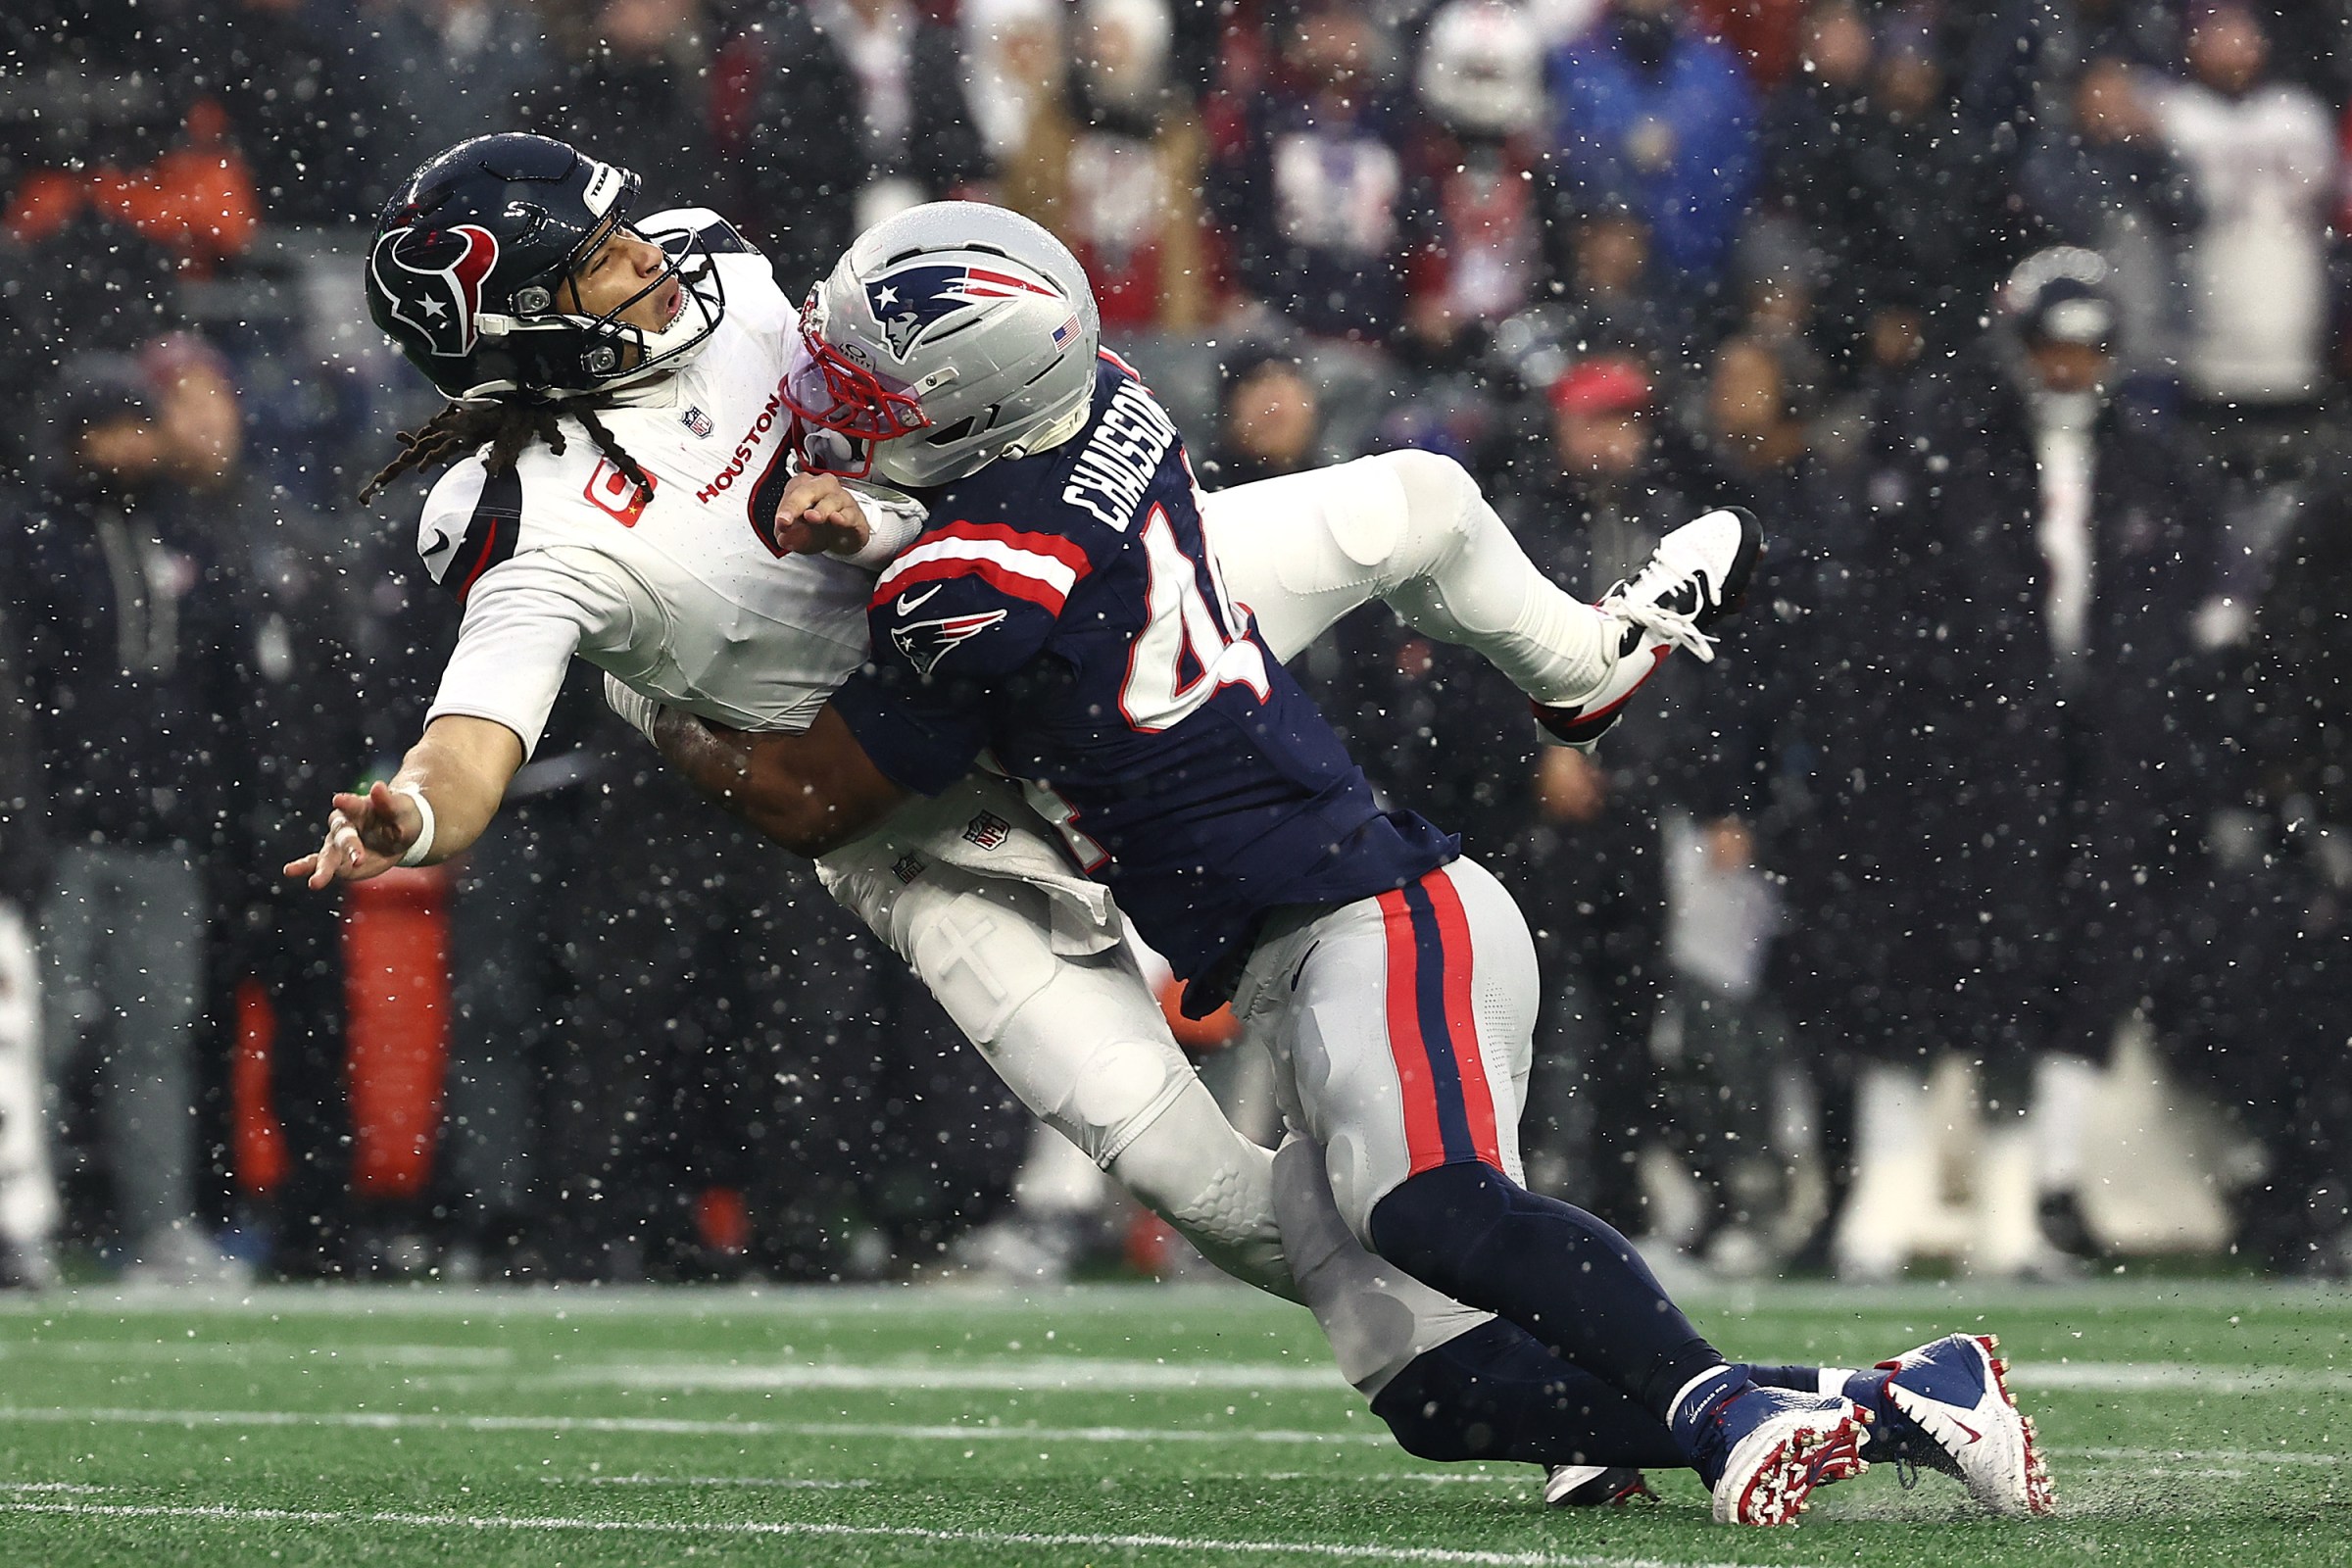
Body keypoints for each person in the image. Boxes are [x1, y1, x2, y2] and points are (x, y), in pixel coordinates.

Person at [294, 137, 2037, 1517]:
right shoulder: (530, 521)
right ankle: (1597, 1371)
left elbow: (906, 373)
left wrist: (884, 526)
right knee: (1239, 1203)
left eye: (625, 231)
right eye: (598, 264)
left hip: (1037, 627)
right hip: (913, 801)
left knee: (1421, 502)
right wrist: (413, 813)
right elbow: (484, 728)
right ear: (525, 326)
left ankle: (1586, 672)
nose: (652, 260)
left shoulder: (734, 274)